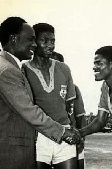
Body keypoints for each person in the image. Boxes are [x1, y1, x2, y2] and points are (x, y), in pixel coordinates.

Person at [0, 17, 80, 169]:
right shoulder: (9, 70)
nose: (35, 44)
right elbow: (29, 111)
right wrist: (63, 132)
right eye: (31, 39)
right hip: (19, 148)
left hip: (53, 136)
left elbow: (71, 106)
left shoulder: (10, 67)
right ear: (14, 39)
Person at [21, 23, 78, 169]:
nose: (50, 45)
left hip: (65, 133)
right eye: (44, 41)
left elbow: (70, 106)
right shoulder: (24, 70)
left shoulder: (63, 68)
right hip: (39, 136)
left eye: (52, 41)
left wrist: (75, 132)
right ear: (34, 42)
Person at [49, 50, 86, 169]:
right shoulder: (40, 88)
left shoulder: (73, 88)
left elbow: (80, 117)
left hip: (70, 138)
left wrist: (82, 138)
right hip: (48, 137)